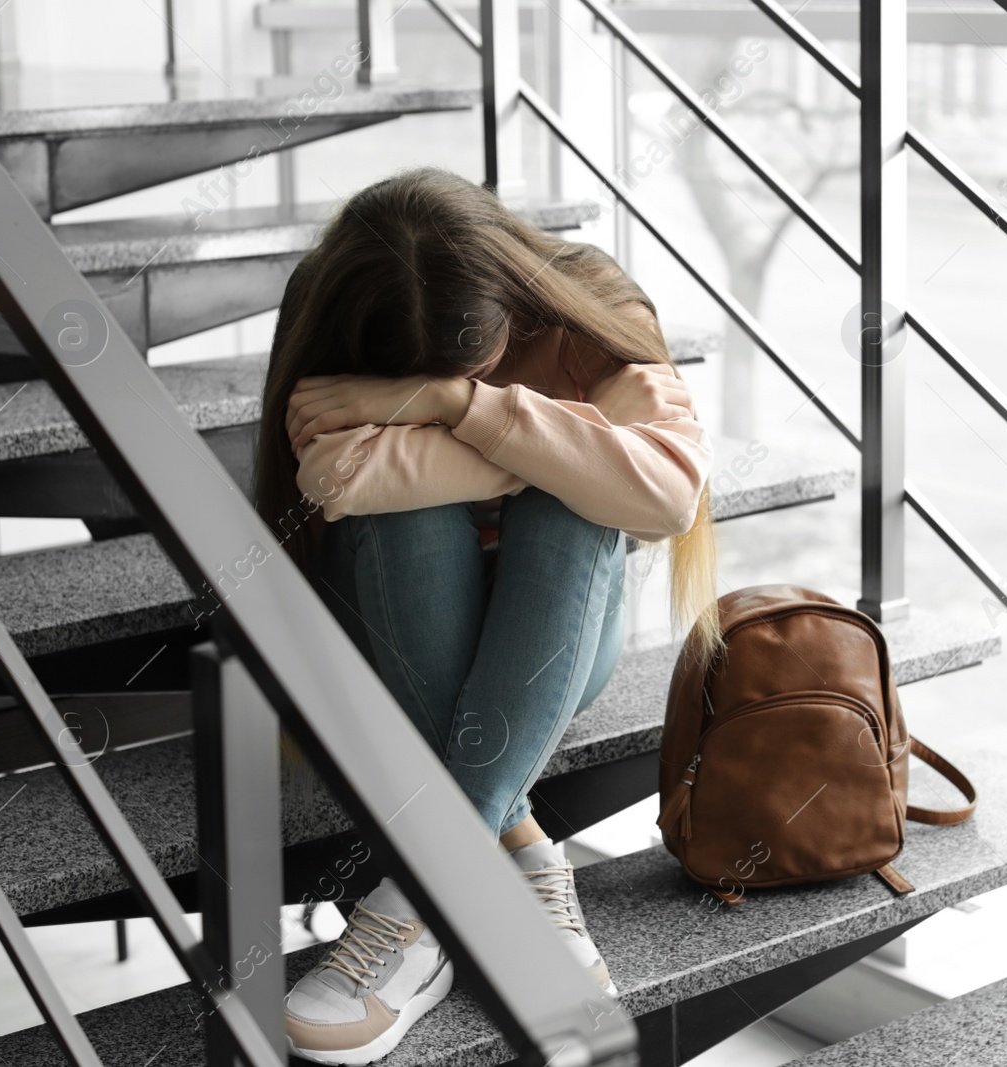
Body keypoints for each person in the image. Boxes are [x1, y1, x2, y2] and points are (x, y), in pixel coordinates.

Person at [253, 167, 723, 1064]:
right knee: (430, 508)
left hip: (556, 638)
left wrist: (450, 408)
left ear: (509, 297)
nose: (445, 377)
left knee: (577, 509)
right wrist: (562, 446)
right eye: (414, 376)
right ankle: (524, 858)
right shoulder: (331, 306)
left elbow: (666, 494)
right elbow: (340, 478)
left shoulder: (588, 308)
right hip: (388, 623)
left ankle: (418, 900)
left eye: (468, 359)